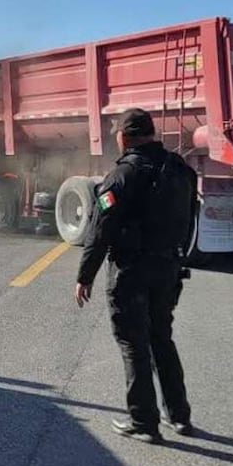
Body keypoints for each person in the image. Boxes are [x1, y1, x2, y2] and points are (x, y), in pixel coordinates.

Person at [74, 108, 197, 444]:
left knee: (133, 344)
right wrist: (175, 258)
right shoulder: (181, 169)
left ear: (125, 137)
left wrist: (85, 276)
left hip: (131, 272)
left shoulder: (121, 176)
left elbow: (100, 230)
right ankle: (180, 417)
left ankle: (143, 422)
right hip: (168, 268)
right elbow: (190, 219)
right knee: (162, 338)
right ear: (152, 133)